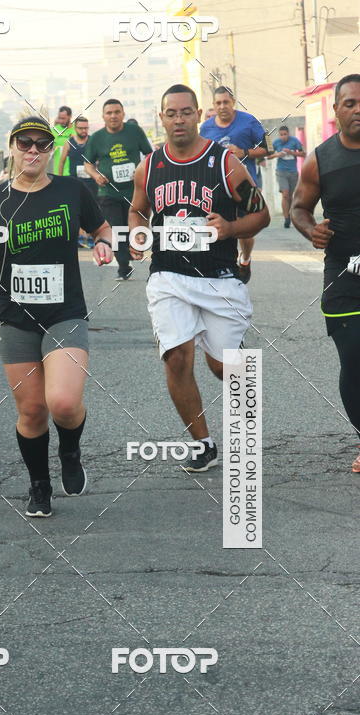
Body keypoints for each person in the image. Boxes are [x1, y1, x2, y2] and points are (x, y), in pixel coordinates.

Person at [0, 116, 113, 515]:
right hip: (15, 318)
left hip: (65, 313)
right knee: (31, 411)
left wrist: (103, 245)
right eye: (24, 143)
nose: (32, 150)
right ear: (11, 147)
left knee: (61, 402)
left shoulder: (71, 190)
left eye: (41, 145)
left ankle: (71, 449)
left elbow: (102, 229)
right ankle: (39, 485)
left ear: (49, 151)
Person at [128, 84, 270, 472]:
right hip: (168, 275)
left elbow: (262, 215)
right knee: (176, 358)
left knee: (224, 367)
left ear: (198, 115)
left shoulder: (225, 163)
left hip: (219, 277)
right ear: (162, 118)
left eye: (186, 112)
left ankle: (244, 425)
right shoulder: (150, 166)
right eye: (171, 113)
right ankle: (203, 442)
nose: (178, 119)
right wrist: (137, 236)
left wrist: (230, 227)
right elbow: (138, 210)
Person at [291, 73, 360, 473]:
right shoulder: (321, 157)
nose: (357, 109)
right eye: (349, 103)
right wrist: (310, 229)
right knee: (354, 358)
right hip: (343, 274)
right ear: (336, 110)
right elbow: (300, 207)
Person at [200, 85, 268, 283]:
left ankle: (245, 259)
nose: (222, 106)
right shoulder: (206, 128)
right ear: (213, 105)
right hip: (216, 188)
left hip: (244, 187)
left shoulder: (250, 121)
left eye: (226, 102)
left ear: (233, 102)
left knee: (244, 230)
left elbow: (268, 148)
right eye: (218, 103)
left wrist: (244, 153)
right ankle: (222, 268)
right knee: (217, 228)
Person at [84, 99, 153, 280]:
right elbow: (88, 164)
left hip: (135, 192)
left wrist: (141, 170)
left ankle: (144, 259)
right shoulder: (97, 138)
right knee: (116, 229)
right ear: (103, 116)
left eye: (117, 112)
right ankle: (124, 266)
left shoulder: (134, 132)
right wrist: (96, 175)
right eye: (109, 113)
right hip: (108, 193)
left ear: (123, 114)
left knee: (135, 229)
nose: (113, 116)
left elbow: (149, 154)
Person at [58, 116, 98, 247]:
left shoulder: (93, 141)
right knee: (76, 209)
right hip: (75, 181)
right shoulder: (69, 143)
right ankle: (80, 236)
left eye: (86, 128)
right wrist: (59, 180)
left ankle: (92, 236)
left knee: (93, 209)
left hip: (92, 181)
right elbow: (62, 162)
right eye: (81, 128)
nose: (84, 131)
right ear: (75, 129)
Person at [267, 125, 305, 227]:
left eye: (285, 134)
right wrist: (277, 155)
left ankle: (290, 214)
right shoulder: (276, 143)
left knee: (291, 196)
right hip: (281, 171)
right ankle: (286, 219)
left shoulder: (295, 141)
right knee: (285, 194)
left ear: (289, 134)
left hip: (293, 172)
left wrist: (291, 152)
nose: (283, 136)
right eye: (281, 135)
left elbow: (303, 153)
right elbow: (268, 156)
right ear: (279, 135)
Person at [52, 105, 75, 176]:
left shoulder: (76, 129)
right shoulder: (54, 130)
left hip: (72, 171)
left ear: (70, 116)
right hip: (58, 172)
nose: (61, 121)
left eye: (63, 118)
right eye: (60, 118)